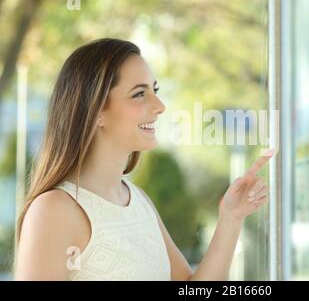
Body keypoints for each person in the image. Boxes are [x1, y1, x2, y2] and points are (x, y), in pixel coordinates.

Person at [14, 38, 275, 280]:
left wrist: (231, 218)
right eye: (140, 93)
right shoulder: (53, 210)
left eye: (155, 90)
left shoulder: (139, 201)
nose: (160, 105)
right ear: (96, 112)